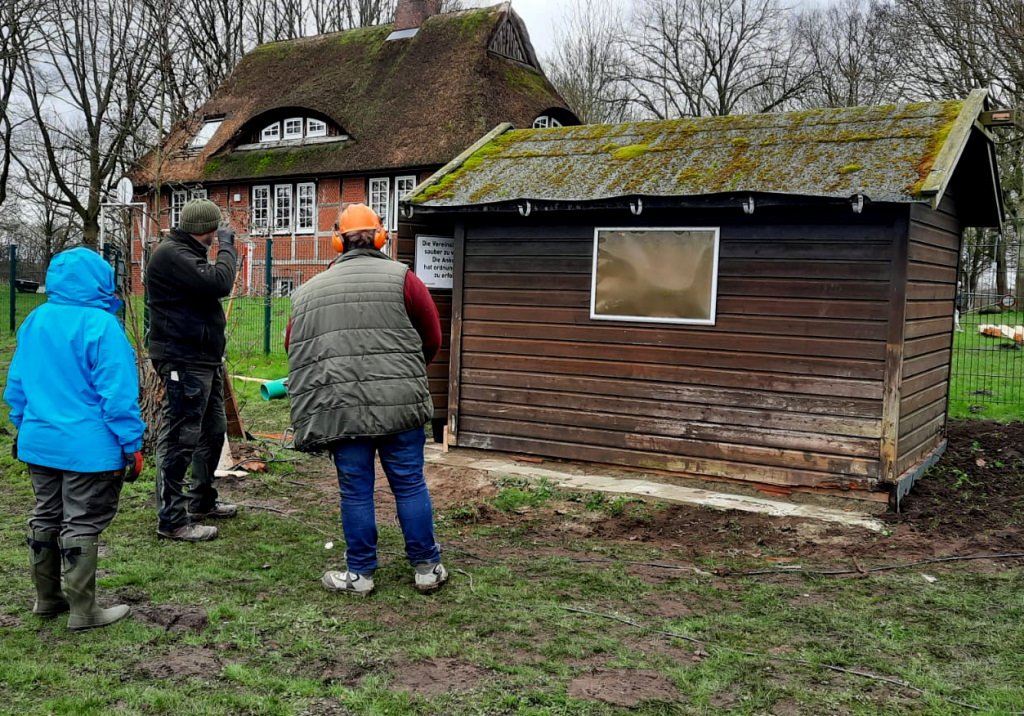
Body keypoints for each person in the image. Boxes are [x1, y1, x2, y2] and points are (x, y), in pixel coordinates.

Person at [286, 203, 446, 596]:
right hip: (400, 403)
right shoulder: (404, 279)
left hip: (341, 408)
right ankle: (427, 568)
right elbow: (433, 339)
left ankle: (360, 574)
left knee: (355, 490)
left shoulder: (309, 291)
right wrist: (402, 372)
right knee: (409, 484)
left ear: (337, 241)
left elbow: (294, 345)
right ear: (381, 237)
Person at [4, 247, 145, 631]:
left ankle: (47, 599)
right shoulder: (102, 327)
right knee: (81, 520)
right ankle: (84, 611)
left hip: (39, 440)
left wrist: (23, 424)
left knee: (46, 514)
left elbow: (16, 386)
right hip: (90, 449)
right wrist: (132, 444)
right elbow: (117, 395)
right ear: (99, 280)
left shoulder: (35, 320)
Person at [146, 197, 238, 542]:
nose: (218, 237)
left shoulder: (187, 253)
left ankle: (201, 499)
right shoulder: (173, 255)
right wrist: (228, 248)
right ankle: (171, 518)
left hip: (203, 359)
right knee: (180, 437)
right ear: (208, 230)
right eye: (216, 231)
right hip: (183, 360)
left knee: (213, 431)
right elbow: (219, 283)